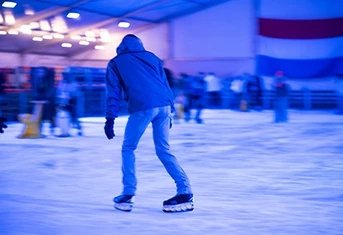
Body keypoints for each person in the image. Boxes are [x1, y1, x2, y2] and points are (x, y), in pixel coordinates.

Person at [104, 34, 193, 213]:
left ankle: (128, 193)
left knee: (128, 148)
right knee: (163, 150)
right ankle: (185, 190)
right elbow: (164, 83)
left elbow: (113, 92)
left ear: (121, 47)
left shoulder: (116, 62)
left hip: (143, 106)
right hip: (164, 106)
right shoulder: (152, 57)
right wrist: (171, 111)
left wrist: (110, 118)